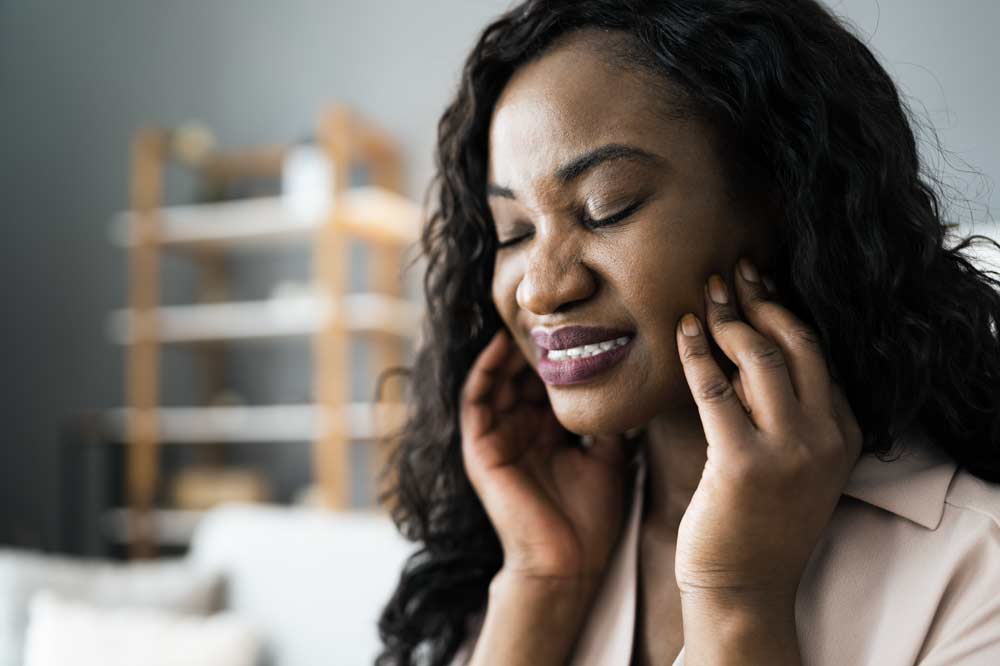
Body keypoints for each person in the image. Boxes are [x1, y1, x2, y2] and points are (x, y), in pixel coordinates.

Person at [375, 1, 1000, 664]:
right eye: (514, 233)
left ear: (787, 202)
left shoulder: (975, 567)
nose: (540, 287)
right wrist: (541, 580)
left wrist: (738, 606)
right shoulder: (542, 542)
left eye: (607, 207)